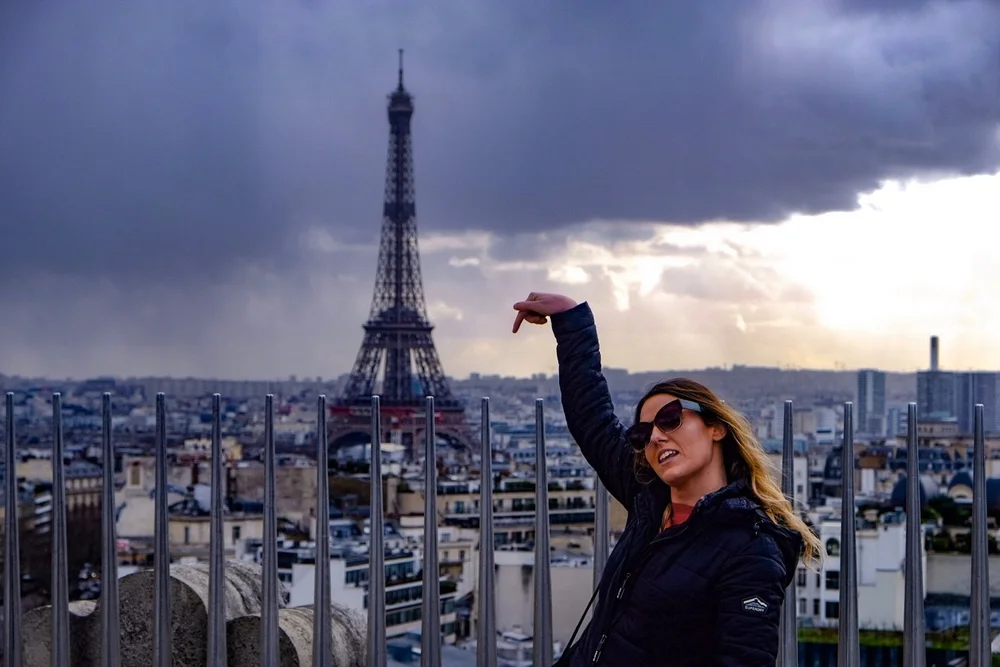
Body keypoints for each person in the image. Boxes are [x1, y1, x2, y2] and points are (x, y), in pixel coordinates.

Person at [511, 292, 822, 667]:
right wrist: (570, 320)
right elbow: (592, 417)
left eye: (671, 419)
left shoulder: (751, 548)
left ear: (716, 427)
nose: (656, 436)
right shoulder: (650, 500)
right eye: (642, 434)